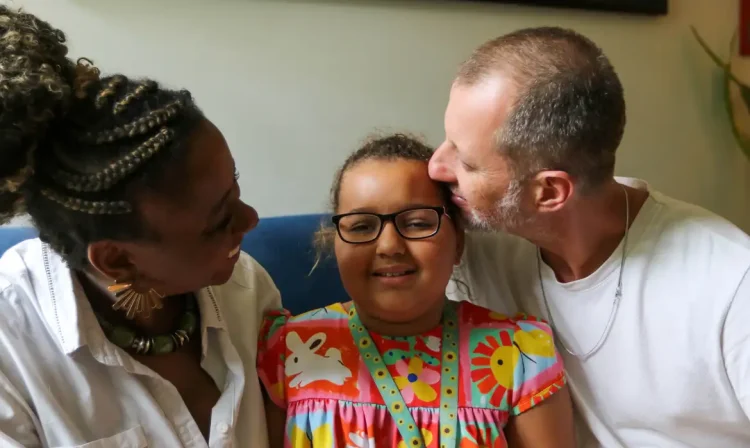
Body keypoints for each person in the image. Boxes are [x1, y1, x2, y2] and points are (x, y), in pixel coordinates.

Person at [428, 26, 750, 447]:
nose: (436, 166)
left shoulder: (732, 285)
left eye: (466, 162)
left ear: (548, 192)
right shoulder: (474, 248)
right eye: (447, 140)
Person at [0, 7, 280, 447]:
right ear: (118, 260)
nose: (251, 220)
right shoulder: (10, 344)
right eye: (220, 220)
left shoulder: (247, 290)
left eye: (236, 186)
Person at [256, 134, 575, 448]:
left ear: (458, 243)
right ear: (334, 243)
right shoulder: (288, 351)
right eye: (362, 226)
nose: (390, 246)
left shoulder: (520, 356)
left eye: (418, 223)